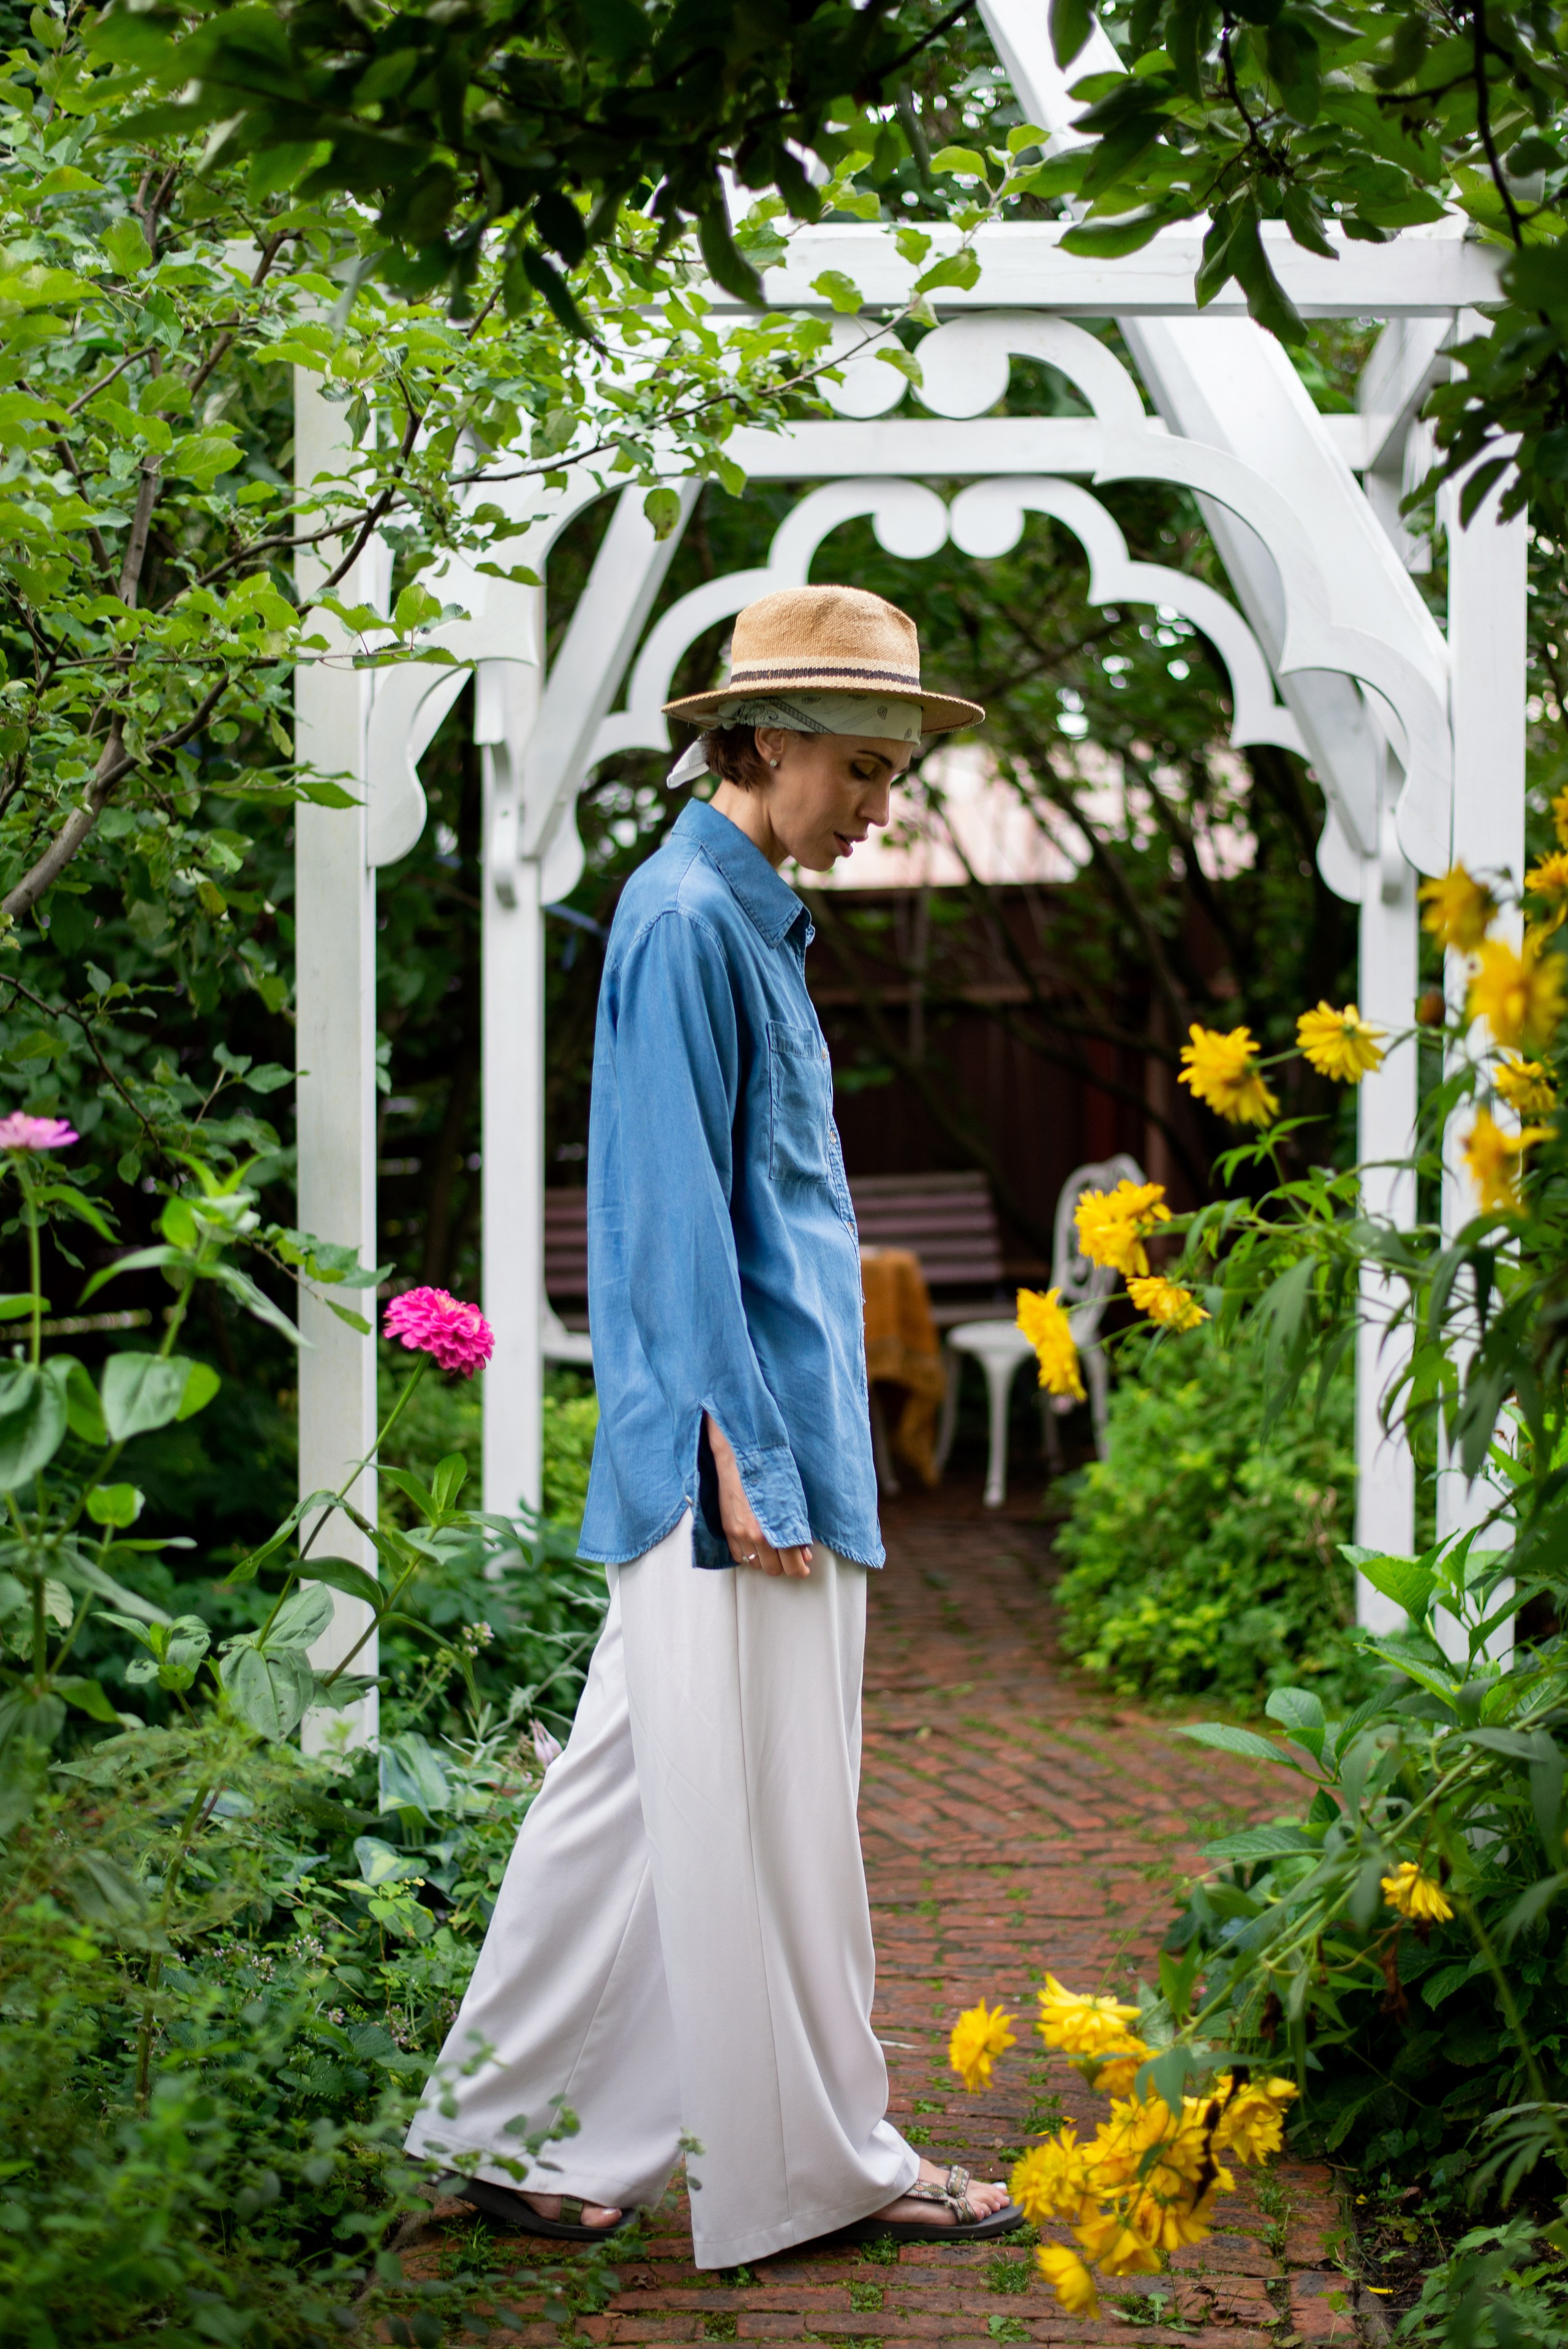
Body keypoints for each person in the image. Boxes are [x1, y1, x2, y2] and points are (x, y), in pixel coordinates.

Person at [405, 585, 1020, 2269]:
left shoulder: (736, 915)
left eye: (895, 766)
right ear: (760, 740)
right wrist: (738, 1456)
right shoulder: (687, 921)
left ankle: (507, 2129)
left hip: (762, 1437)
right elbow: (667, 1217)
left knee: (627, 1785)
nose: (883, 801)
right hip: (740, 1460)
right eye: (864, 765)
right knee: (775, 1811)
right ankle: (827, 2160)